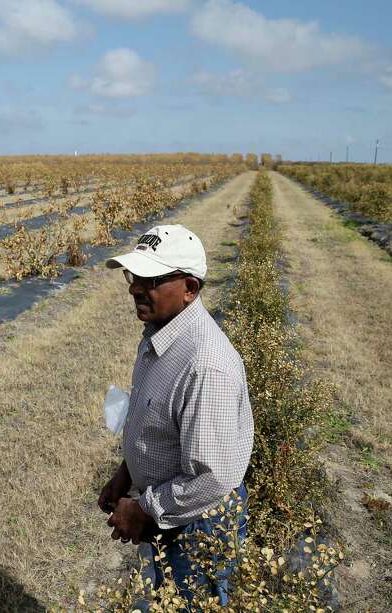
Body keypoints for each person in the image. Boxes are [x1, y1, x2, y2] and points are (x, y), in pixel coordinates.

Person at [98, 224, 254, 605]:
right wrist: (127, 473)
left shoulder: (206, 365)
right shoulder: (159, 333)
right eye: (134, 276)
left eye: (150, 279)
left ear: (190, 289)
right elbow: (158, 421)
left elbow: (212, 477)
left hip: (198, 521)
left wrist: (143, 509)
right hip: (171, 508)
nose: (135, 287)